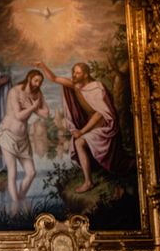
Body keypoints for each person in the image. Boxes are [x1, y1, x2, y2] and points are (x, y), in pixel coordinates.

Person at [34, 61, 135, 193]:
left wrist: (82, 131)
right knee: (78, 142)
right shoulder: (76, 86)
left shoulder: (96, 89)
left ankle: (88, 182)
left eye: (78, 73)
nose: (74, 75)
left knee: (80, 142)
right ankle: (89, 179)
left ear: (86, 75)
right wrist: (42, 65)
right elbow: (54, 78)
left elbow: (100, 114)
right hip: (93, 127)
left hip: (106, 127)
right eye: (73, 72)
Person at [0, 70, 49, 213]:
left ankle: (20, 197)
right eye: (36, 80)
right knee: (13, 172)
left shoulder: (37, 94)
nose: (38, 84)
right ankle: (16, 204)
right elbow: (18, 115)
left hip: (23, 139)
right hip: (8, 134)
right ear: (29, 78)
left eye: (40, 82)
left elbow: (46, 113)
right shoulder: (14, 91)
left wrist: (33, 106)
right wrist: (34, 107)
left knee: (31, 172)